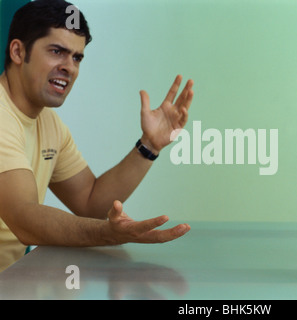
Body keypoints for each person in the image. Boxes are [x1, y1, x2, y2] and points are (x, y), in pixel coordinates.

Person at [0, 0, 194, 272]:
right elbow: (24, 218)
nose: (69, 67)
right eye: (57, 51)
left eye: (77, 57)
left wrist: (149, 145)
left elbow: (90, 202)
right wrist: (109, 233)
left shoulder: (50, 124)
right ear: (19, 52)